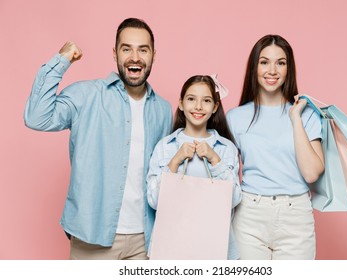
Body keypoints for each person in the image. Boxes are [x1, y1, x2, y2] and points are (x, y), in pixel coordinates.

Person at [24, 18, 173, 260]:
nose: (135, 57)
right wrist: (61, 61)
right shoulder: (86, 95)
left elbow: (164, 174)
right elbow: (35, 117)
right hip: (92, 236)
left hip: (146, 240)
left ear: (153, 55)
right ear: (115, 53)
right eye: (127, 48)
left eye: (142, 49)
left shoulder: (163, 110)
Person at [226, 34, 324, 260]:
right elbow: (225, 172)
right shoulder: (235, 117)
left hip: (296, 216)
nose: (272, 70)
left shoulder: (307, 115)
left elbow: (311, 172)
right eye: (264, 62)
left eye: (280, 63)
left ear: (289, 69)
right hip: (249, 214)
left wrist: (296, 118)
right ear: (254, 67)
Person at [146, 75, 242, 259]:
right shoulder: (166, 146)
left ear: (215, 107)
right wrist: (174, 162)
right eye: (191, 99)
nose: (198, 107)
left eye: (206, 101)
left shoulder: (226, 148)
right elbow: (154, 201)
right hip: (173, 247)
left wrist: (215, 160)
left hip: (214, 246)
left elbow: (235, 199)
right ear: (181, 104)